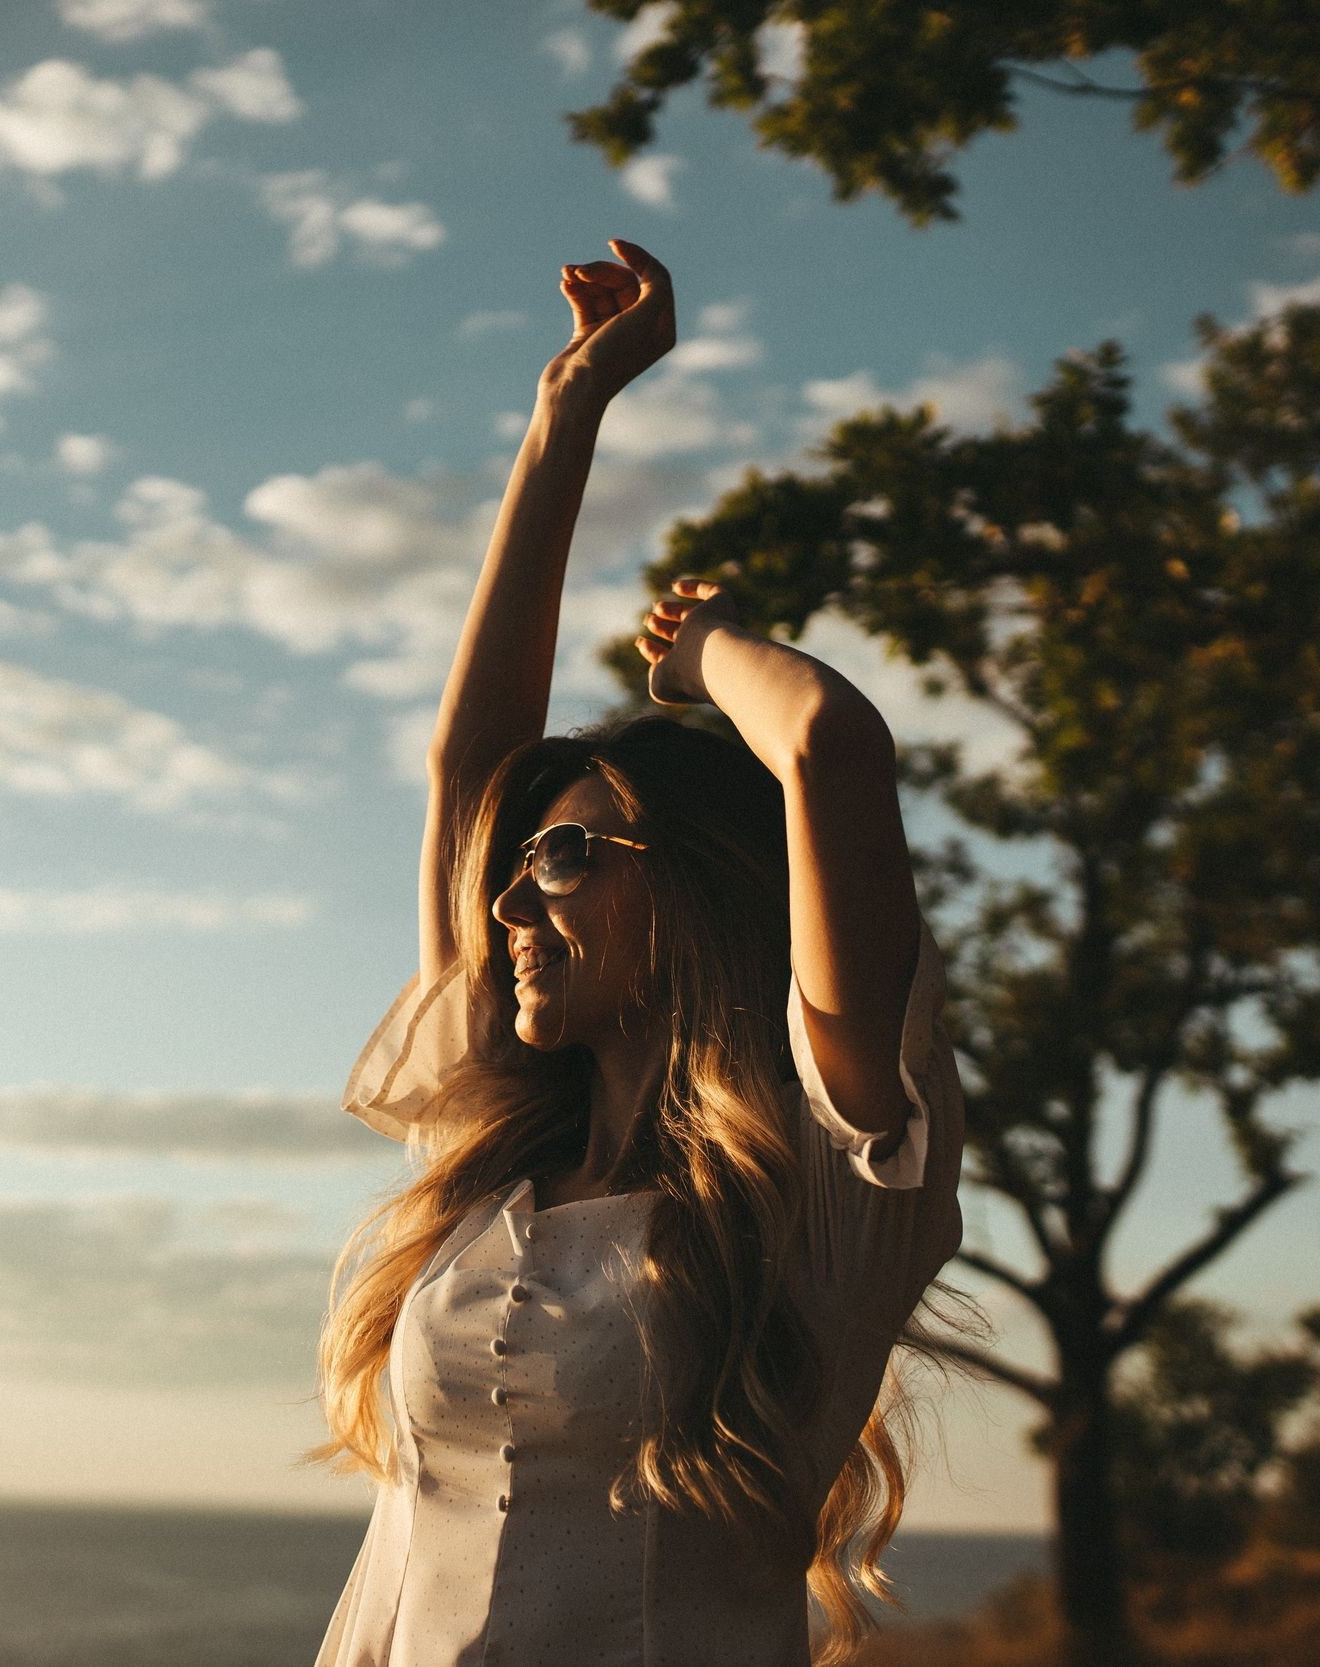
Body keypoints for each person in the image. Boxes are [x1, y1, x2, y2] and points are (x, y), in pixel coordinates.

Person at [308, 238, 965, 1667]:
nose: (509, 908)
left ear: (703, 891)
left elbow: (830, 750)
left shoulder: (820, 1190)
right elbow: (465, 773)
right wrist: (566, 414)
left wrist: (708, 652)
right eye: (515, 873)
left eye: (566, 860)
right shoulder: (489, 1164)